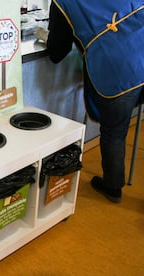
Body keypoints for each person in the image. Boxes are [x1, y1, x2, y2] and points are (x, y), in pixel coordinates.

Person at [35, 0, 144, 203]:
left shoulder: (63, 3)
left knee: (114, 133)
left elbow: (58, 51)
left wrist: (44, 35)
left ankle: (112, 187)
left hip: (117, 70)